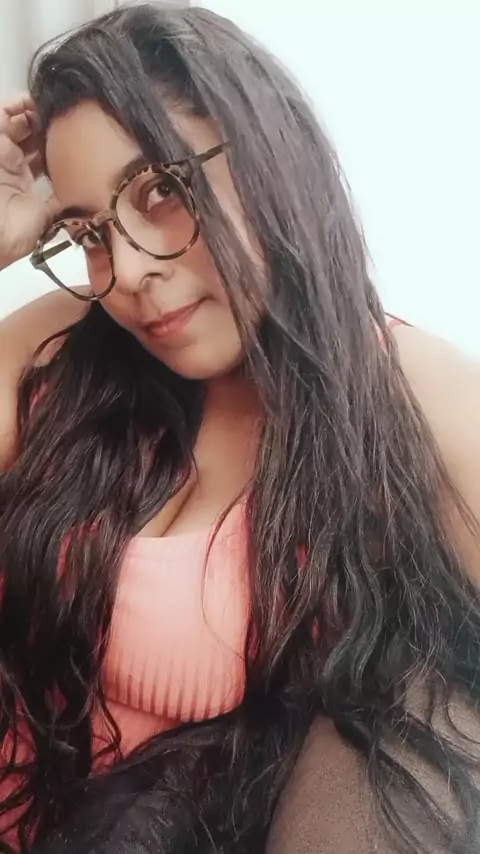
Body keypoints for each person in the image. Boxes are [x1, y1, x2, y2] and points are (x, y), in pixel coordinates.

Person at [0, 3, 479, 852]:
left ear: (267, 151)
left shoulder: (406, 396)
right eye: (87, 232)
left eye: (160, 190)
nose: (129, 271)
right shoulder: (60, 348)